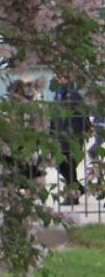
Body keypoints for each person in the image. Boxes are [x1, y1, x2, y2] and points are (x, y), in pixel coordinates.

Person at [51, 74, 87, 205]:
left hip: (71, 135)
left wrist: (74, 133)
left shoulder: (73, 94)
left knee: (68, 164)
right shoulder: (59, 93)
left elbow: (81, 114)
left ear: (66, 79)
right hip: (60, 134)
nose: (56, 79)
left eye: (58, 77)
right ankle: (78, 189)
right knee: (60, 163)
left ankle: (73, 195)